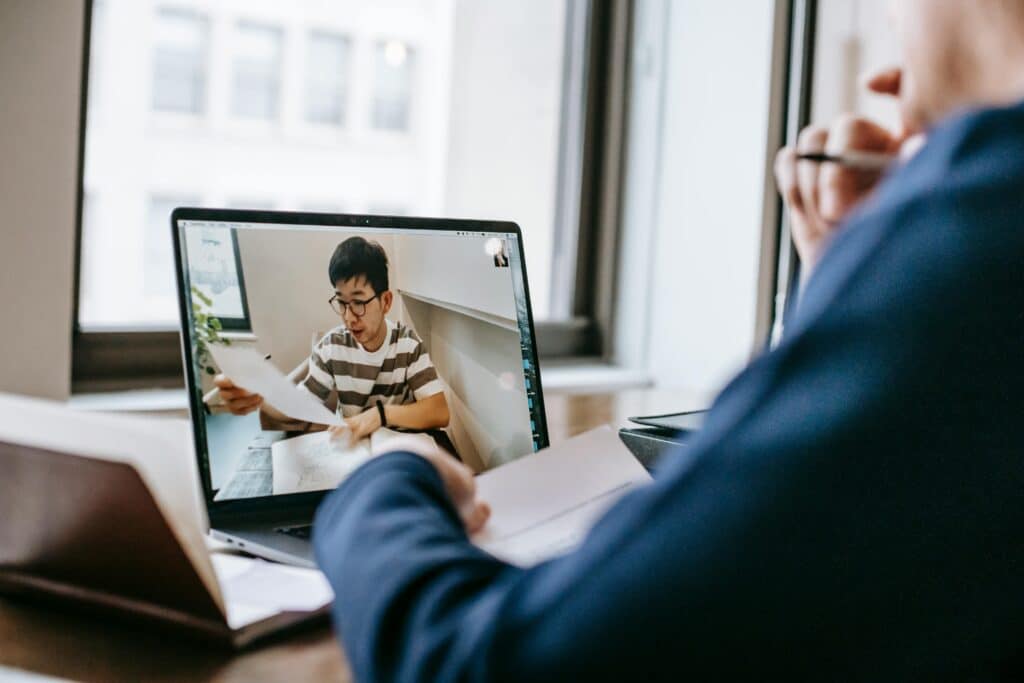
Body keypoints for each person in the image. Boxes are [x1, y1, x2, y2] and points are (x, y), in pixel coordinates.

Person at [313, 2, 1024, 679]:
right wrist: (870, 282)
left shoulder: (988, 241)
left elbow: (480, 663)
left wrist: (377, 485)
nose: (891, 17)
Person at [215, 237, 450, 443]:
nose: (349, 318)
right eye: (341, 303)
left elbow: (439, 411)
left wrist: (380, 415)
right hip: (348, 453)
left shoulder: (407, 345)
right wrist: (258, 395)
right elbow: (298, 408)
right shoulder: (332, 347)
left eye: (358, 303)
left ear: (386, 302)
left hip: (396, 453)